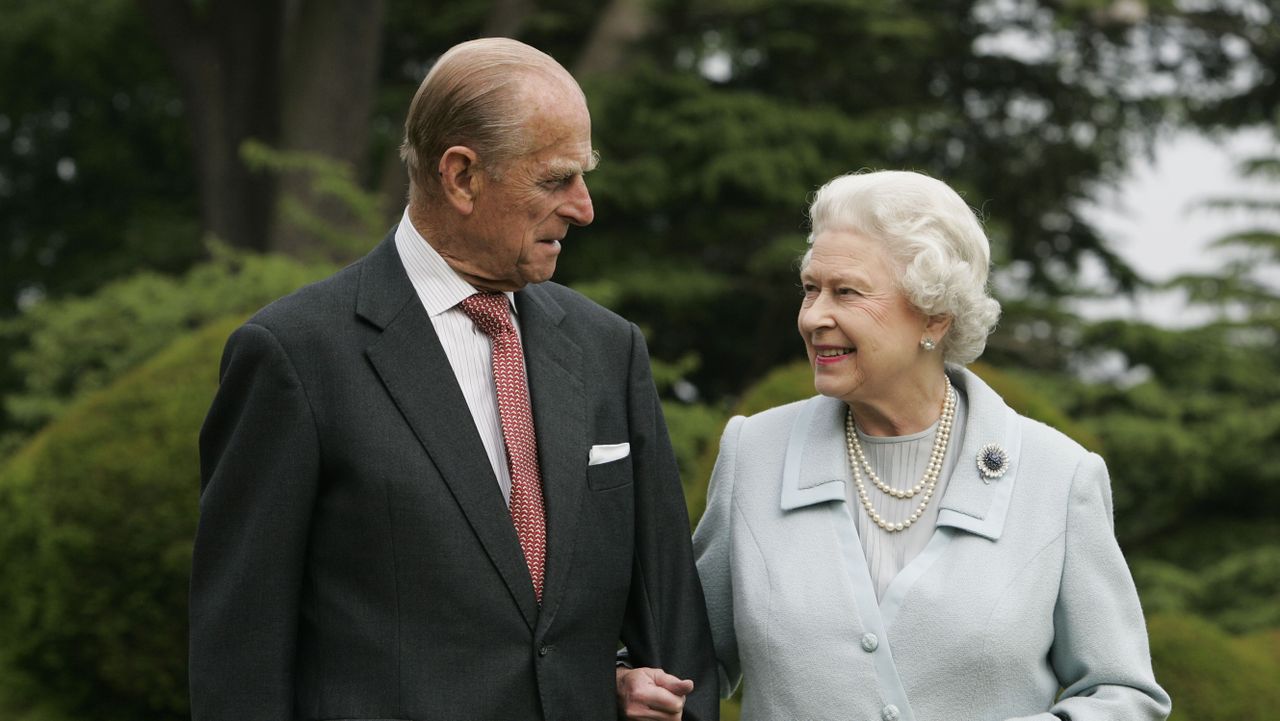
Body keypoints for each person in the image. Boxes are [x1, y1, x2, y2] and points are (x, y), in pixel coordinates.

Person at [190, 37, 717, 721]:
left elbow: (673, 633)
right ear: (462, 176)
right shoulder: (294, 355)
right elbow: (240, 660)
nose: (584, 207)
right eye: (557, 179)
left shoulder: (608, 349)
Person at [621, 170, 1171, 720]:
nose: (814, 317)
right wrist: (632, 684)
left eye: (847, 293)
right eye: (811, 288)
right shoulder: (755, 453)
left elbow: (1124, 696)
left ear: (934, 314)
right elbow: (685, 661)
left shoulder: (1058, 476)